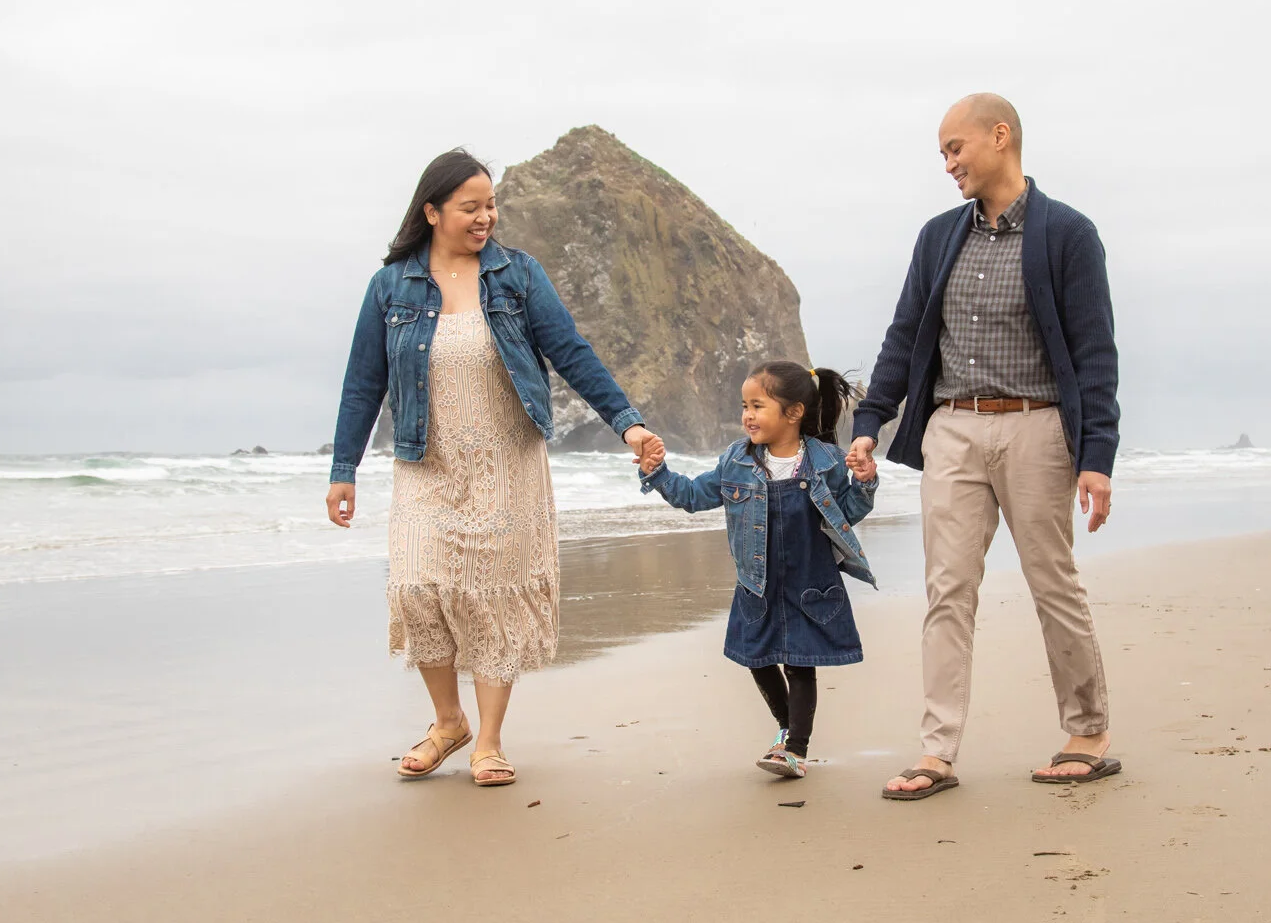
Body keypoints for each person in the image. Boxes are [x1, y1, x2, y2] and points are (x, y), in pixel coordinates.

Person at [326, 149, 662, 789]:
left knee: (491, 599)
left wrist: (629, 424)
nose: (486, 217)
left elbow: (571, 353)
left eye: (490, 204)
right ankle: (447, 722)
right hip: (426, 463)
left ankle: (489, 741)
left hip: (507, 461)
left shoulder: (518, 276)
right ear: (432, 212)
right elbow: (362, 383)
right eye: (470, 207)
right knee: (418, 588)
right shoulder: (390, 286)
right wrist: (345, 469)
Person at [848, 94, 1121, 800]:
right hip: (953, 428)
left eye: (955, 148)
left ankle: (1087, 732)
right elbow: (905, 335)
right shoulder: (939, 236)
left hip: (1037, 427)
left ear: (1000, 137)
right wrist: (870, 420)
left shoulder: (1069, 234)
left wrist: (1097, 457)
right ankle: (936, 752)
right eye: (943, 153)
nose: (948, 164)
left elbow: (1095, 355)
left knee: (1052, 581)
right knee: (948, 590)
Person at [639, 361, 878, 779]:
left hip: (811, 582)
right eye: (743, 406)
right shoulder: (737, 461)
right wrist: (657, 473)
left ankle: (795, 749)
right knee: (757, 657)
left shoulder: (826, 461)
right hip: (757, 583)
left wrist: (864, 483)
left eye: (757, 405)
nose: (747, 415)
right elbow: (694, 495)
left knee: (801, 663)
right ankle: (787, 731)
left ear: (794, 412)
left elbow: (850, 512)